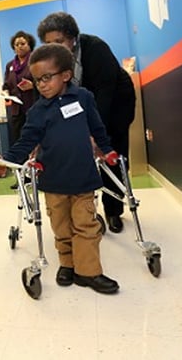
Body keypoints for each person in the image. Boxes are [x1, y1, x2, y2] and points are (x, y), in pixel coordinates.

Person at [0, 43, 120, 294]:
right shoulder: (37, 110)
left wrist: (107, 149)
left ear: (66, 75)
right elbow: (26, 141)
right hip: (53, 181)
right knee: (61, 228)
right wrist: (5, 161)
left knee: (86, 226)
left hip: (83, 178)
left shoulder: (83, 97)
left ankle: (89, 272)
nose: (42, 85)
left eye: (47, 78)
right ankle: (68, 265)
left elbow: (97, 127)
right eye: (37, 80)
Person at [37, 12, 136, 233]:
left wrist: (93, 133)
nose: (55, 48)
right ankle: (86, 211)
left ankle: (113, 211)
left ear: (72, 37)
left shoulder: (96, 49)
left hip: (116, 103)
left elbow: (105, 94)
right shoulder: (50, 62)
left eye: (59, 41)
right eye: (48, 43)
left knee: (112, 153)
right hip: (83, 105)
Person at [2, 31, 37, 189]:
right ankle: (22, 178)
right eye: (16, 44)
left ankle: (39, 175)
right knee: (18, 143)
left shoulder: (36, 61)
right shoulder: (10, 65)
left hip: (33, 107)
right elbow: (6, 85)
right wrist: (5, 93)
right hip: (16, 110)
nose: (19, 47)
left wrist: (33, 85)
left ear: (29, 44)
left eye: (23, 43)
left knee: (36, 142)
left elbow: (45, 80)